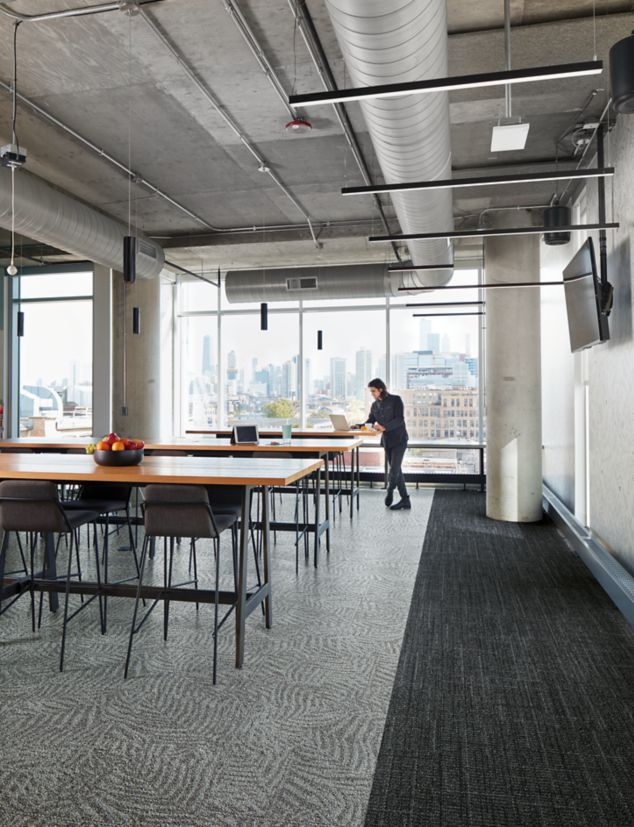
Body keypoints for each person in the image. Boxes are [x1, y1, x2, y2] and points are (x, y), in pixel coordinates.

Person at [359, 378, 410, 511]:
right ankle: (405, 500)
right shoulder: (375, 405)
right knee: (397, 470)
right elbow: (370, 421)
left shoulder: (396, 400)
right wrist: (358, 426)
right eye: (371, 391)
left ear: (380, 389)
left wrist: (384, 427)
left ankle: (390, 491)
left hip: (399, 440)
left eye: (373, 391)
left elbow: (399, 419)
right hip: (387, 441)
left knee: (393, 470)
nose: (372, 393)